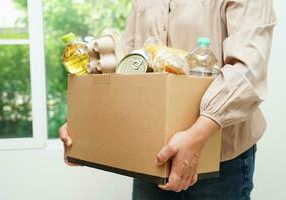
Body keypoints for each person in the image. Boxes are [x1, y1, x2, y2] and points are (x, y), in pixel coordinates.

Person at [59, 0, 276, 199]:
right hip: (153, 155)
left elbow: (248, 69)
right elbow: (128, 67)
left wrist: (196, 136)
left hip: (220, 158)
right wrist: (87, 123)